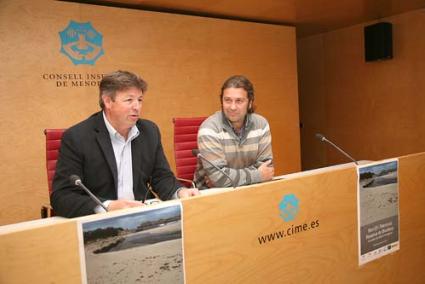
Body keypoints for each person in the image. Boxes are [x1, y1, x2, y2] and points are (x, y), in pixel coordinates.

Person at [51, 70, 199, 218]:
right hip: (99, 221)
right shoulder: (77, 137)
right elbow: (62, 196)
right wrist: (107, 206)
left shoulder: (149, 131)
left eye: (140, 100)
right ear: (108, 101)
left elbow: (161, 177)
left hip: (142, 217)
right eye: (129, 100)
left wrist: (179, 192)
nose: (137, 106)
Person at [194, 75, 274, 189]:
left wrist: (226, 178)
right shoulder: (209, 128)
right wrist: (257, 175)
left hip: (251, 190)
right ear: (222, 101)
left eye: (239, 101)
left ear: (250, 102)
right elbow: (218, 179)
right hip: (211, 195)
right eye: (227, 100)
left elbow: (267, 168)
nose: (232, 107)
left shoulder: (261, 124)